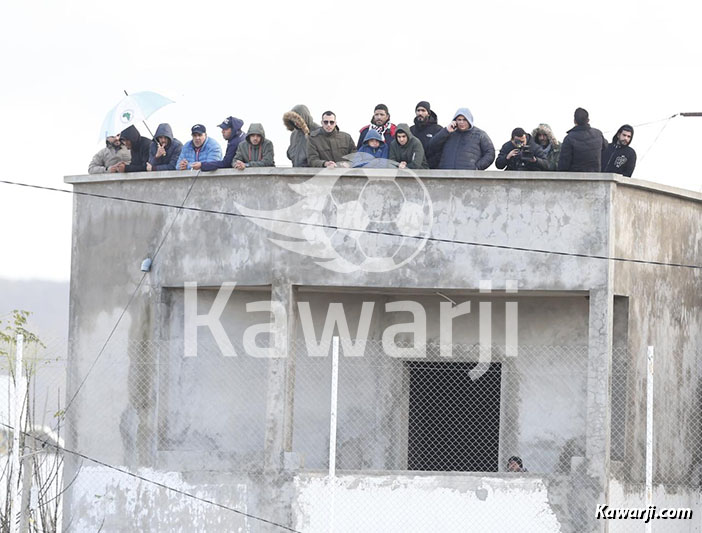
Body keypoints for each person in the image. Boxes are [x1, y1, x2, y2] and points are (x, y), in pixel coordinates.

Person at [428, 107, 495, 170]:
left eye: (465, 119)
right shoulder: (448, 133)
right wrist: (446, 131)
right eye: (459, 120)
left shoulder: (480, 134)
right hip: (447, 175)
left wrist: (477, 168)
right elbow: (432, 146)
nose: (461, 122)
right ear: (455, 121)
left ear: (469, 120)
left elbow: (490, 153)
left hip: (469, 177)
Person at [558, 108, 607, 172]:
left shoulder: (569, 138)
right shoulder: (598, 134)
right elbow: (605, 147)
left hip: (575, 178)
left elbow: (563, 165)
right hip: (595, 177)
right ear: (588, 120)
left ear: (574, 121)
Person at [410, 101, 442, 168]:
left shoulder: (437, 129)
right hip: (414, 169)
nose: (420, 113)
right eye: (418, 110)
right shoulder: (411, 130)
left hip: (433, 170)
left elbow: (440, 151)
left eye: (423, 110)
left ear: (428, 113)